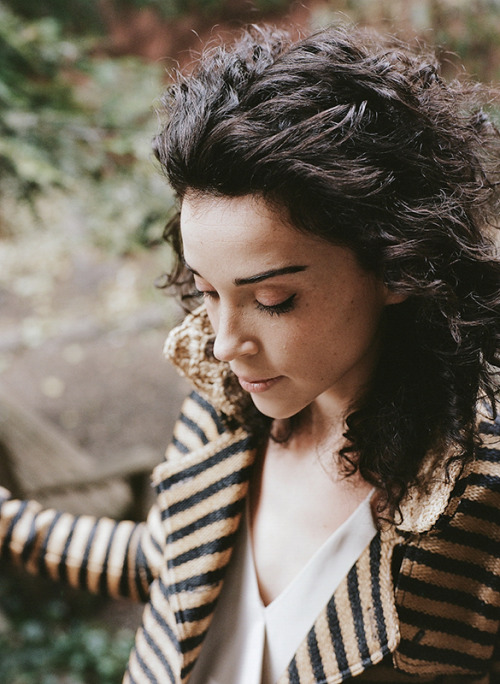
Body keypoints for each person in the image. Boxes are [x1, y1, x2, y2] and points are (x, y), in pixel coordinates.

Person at [0, 21, 499, 683]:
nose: (226, 342)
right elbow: (167, 562)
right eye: (206, 292)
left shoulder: (470, 498)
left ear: (398, 267)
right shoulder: (224, 401)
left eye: (272, 300)